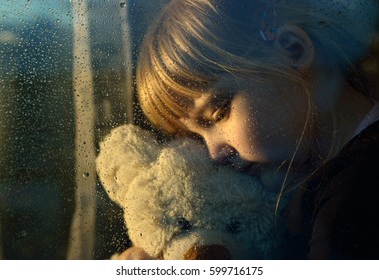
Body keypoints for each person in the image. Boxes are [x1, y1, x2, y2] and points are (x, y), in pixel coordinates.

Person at [119, 0, 379, 259]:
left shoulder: (354, 197)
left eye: (218, 113)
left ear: (293, 51)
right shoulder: (323, 184)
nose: (214, 154)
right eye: (197, 136)